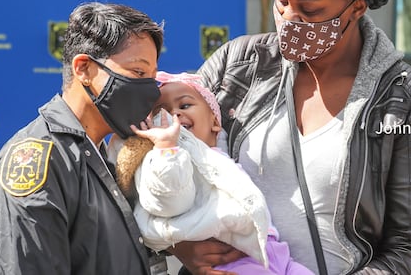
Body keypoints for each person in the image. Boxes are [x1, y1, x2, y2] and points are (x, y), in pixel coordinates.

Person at [171, 0, 411, 275]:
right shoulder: (239, 64)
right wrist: (182, 244)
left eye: (309, 9)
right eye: (282, 0)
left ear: (356, 8)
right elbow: (160, 150)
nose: (289, 18)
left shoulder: (404, 98)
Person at [0, 2, 165, 274]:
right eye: (138, 72)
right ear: (83, 68)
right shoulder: (39, 162)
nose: (150, 90)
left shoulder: (105, 158)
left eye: (152, 77)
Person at [113, 71, 314, 275]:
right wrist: (166, 148)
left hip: (273, 251)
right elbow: (168, 199)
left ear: (215, 122)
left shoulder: (219, 157)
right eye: (160, 112)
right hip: (230, 257)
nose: (174, 114)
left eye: (184, 105)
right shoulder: (168, 160)